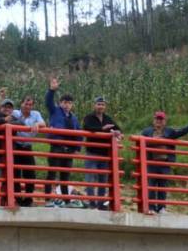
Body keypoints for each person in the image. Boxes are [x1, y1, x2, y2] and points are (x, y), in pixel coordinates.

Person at [140, 110, 188, 214]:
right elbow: (140, 142)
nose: (159, 121)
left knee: (162, 186)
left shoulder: (169, 131)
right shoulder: (147, 132)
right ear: (153, 120)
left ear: (165, 121)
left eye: (161, 119)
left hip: (164, 163)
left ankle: (161, 208)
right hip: (151, 163)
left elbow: (182, 131)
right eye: (157, 119)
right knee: (150, 186)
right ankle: (151, 207)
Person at [43, 77, 83, 208]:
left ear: (72, 105)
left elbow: (79, 133)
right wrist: (52, 90)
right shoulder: (55, 111)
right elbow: (48, 101)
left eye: (69, 103)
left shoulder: (74, 118)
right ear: (60, 103)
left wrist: (78, 147)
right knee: (52, 174)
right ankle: (47, 199)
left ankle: (66, 201)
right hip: (57, 147)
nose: (67, 105)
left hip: (69, 150)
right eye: (65, 102)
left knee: (65, 176)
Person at [81, 96, 122, 209]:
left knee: (103, 180)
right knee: (90, 178)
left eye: (103, 105)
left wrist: (117, 131)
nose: (100, 106)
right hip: (92, 152)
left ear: (105, 106)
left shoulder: (108, 118)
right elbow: (88, 127)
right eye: (99, 104)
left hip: (104, 154)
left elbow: (117, 128)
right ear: (94, 105)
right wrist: (103, 129)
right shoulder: (89, 117)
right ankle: (91, 202)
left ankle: (100, 203)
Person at [9, 94, 46, 207]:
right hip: (16, 146)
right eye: (26, 103)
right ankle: (17, 198)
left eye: (30, 104)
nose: (28, 106)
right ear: (21, 103)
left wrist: (37, 124)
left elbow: (43, 124)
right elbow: (2, 115)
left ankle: (28, 199)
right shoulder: (15, 113)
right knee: (15, 174)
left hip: (27, 147)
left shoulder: (36, 114)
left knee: (30, 174)